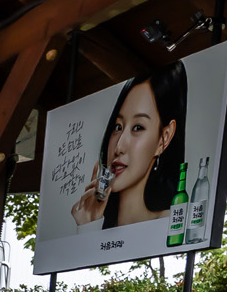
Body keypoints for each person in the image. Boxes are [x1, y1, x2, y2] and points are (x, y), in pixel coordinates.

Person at [72, 62, 188, 229]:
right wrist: (87, 225)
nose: (119, 147)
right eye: (117, 127)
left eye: (138, 127)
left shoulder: (169, 223)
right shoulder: (91, 221)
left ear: (164, 138)